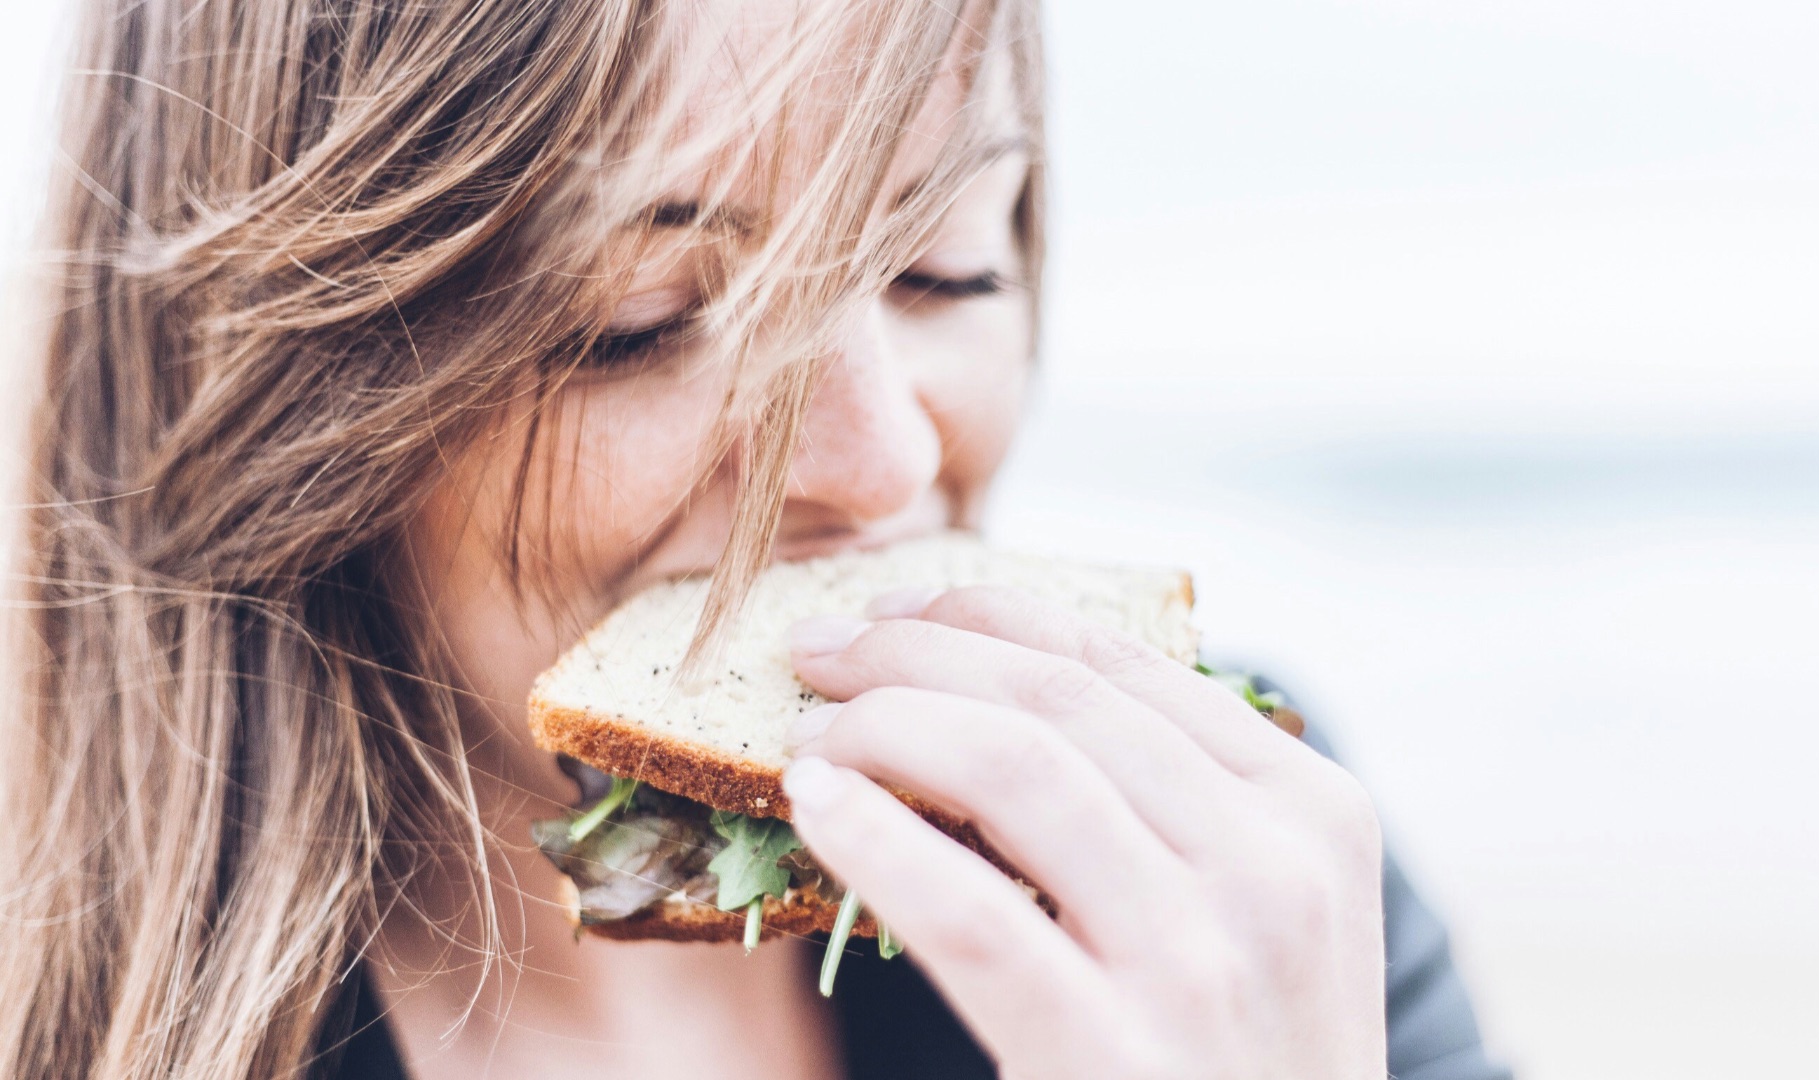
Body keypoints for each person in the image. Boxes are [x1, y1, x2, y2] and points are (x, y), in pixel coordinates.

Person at [0, 0, 1509, 1077]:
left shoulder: (1243, 883)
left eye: (946, 270)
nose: (887, 458)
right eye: (632, 325)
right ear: (275, 394)